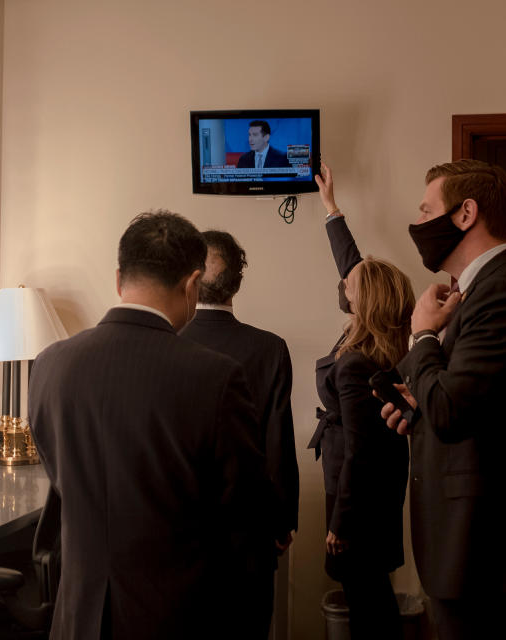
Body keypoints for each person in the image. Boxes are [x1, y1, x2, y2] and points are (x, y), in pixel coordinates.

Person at [29, 210, 272, 640]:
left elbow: (59, 477)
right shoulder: (216, 378)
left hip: (76, 616)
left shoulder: (49, 365)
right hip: (178, 616)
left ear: (119, 278)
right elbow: (245, 523)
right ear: (193, 284)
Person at [382, 159, 506, 639]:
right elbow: (481, 403)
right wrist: (419, 405)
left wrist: (423, 333)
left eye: (428, 210)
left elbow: (453, 410)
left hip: (487, 549)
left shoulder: (503, 289)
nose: (419, 222)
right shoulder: (483, 290)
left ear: (465, 213)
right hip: (474, 545)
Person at [307, 163, 411, 640]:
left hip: (357, 501)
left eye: (350, 282)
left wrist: (340, 524)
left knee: (367, 601)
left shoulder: (355, 363)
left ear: (361, 302)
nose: (343, 280)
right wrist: (331, 207)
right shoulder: (382, 346)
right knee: (373, 596)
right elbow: (352, 266)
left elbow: (359, 453)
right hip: (380, 495)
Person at [179, 229, 299, 638]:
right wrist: (282, 521)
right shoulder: (270, 349)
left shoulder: (167, 343)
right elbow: (277, 440)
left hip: (182, 531)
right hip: (250, 532)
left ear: (191, 277)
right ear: (238, 281)